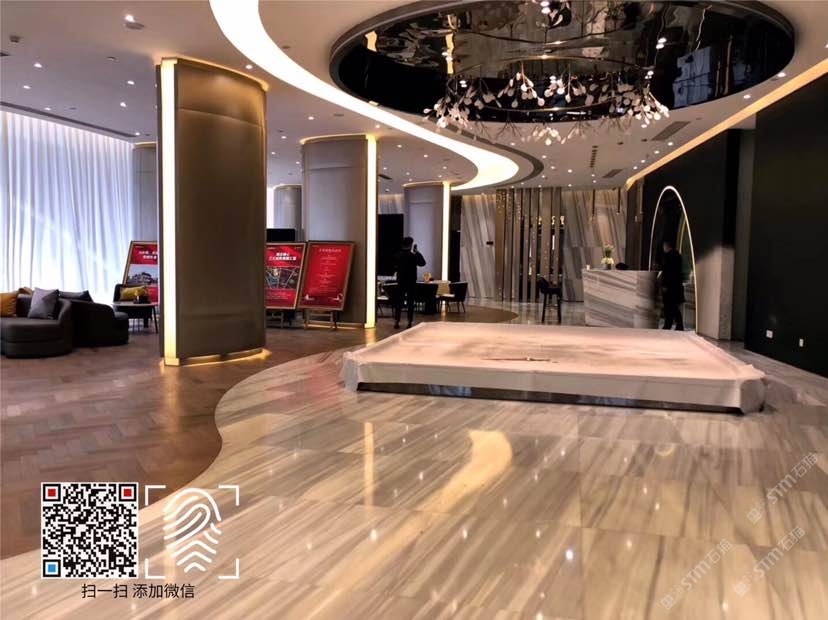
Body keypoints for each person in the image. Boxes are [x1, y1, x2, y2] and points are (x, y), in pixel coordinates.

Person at [393, 236, 426, 329]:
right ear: (411, 245)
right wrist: (417, 252)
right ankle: (409, 321)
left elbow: (394, 266)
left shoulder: (397, 255)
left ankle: (396, 321)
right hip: (411, 281)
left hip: (400, 281)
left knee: (399, 302)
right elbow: (423, 263)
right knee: (410, 302)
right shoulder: (413, 256)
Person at [660, 239, 685, 330]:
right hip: (676, 285)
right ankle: (675, 324)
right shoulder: (677, 255)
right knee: (673, 306)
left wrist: (665, 285)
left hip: (670, 286)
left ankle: (670, 324)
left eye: (663, 246)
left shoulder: (668, 257)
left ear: (666, 246)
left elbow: (667, 272)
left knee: (669, 306)